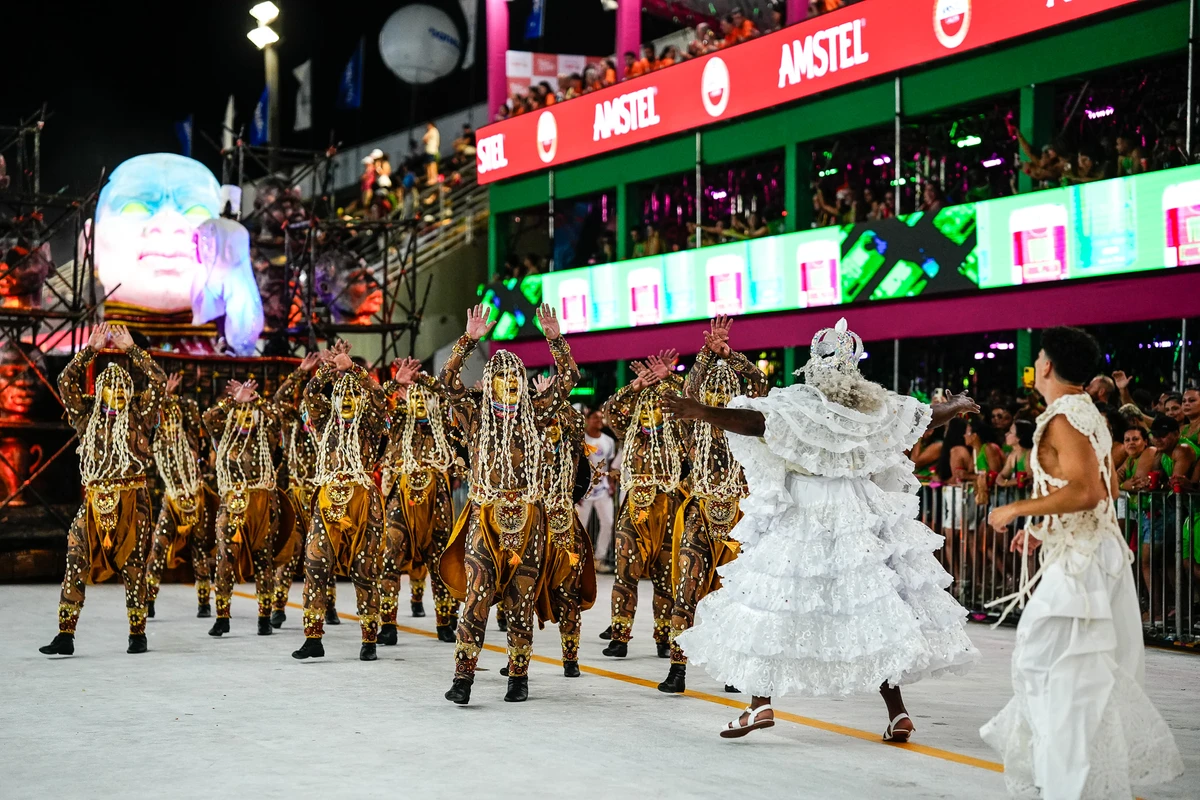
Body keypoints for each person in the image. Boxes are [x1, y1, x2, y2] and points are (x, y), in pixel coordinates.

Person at [668, 318, 979, 739]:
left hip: (805, 510)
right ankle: (898, 714)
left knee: (774, 602)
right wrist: (956, 405)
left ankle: (760, 705)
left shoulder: (801, 405)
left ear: (814, 368)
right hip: (856, 511)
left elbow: (756, 423)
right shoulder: (871, 408)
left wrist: (704, 412)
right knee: (869, 607)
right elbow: (922, 417)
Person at [982, 326, 1183, 799]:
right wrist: (1042, 528)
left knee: (1054, 670)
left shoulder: (1062, 418)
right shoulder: (1088, 412)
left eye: (1039, 357)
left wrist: (1017, 510)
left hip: (1084, 563)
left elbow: (1089, 491)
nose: (1036, 364)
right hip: (1096, 553)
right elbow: (1108, 487)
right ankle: (1069, 776)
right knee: (1069, 672)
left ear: (1047, 365)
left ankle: (1067, 781)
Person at [438, 303, 578, 705]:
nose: (510, 384)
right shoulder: (474, 413)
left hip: (528, 521)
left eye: (515, 378)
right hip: (485, 519)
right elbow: (446, 382)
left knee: (521, 600)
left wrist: (555, 339)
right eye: (502, 379)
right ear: (490, 383)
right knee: (477, 597)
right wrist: (468, 341)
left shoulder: (537, 412)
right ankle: (463, 678)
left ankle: (519, 677)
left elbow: (569, 379)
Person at [40, 323, 166, 656]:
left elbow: (158, 381)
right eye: (111, 387)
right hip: (95, 501)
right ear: (99, 391)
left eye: (123, 386)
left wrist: (132, 350)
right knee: (75, 555)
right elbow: (64, 382)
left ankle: (137, 634)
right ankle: (65, 635)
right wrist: (90, 352)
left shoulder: (139, 414)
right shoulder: (86, 415)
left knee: (134, 566)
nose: (119, 392)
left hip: (132, 501)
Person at [659, 316, 768, 695]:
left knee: (739, 598)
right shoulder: (694, 424)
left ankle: (734, 671)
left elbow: (760, 383)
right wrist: (706, 354)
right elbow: (689, 388)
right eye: (713, 392)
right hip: (700, 513)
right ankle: (677, 669)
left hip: (740, 518)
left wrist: (730, 355)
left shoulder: (749, 426)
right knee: (686, 590)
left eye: (727, 391)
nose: (719, 396)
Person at [291, 342, 390, 662]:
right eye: (341, 395)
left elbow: (379, 396)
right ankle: (313, 638)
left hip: (363, 500)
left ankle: (369, 639)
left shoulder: (371, 424)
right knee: (315, 564)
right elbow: (310, 394)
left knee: (365, 570)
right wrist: (328, 370)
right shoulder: (323, 422)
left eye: (353, 395)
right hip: (327, 498)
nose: (347, 399)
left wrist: (354, 370)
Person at [600, 349, 687, 659]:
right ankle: (619, 637)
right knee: (625, 572)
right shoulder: (631, 431)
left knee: (666, 575)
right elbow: (611, 412)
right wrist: (634, 387)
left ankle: (664, 638)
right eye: (644, 408)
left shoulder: (679, 431)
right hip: (635, 506)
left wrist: (670, 380)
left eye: (656, 408)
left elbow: (694, 406)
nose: (650, 413)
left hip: (670, 505)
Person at [378, 358, 461, 645]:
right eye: (415, 397)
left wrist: (423, 381)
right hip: (400, 499)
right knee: (390, 558)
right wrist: (395, 384)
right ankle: (388, 625)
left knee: (440, 561)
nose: (421, 402)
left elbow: (448, 392)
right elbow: (373, 405)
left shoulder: (443, 426)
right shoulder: (397, 422)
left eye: (426, 397)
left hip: (437, 501)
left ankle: (444, 623)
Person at [530, 375, 597, 678]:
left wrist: (556, 398)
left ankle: (571, 658)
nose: (553, 428)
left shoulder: (572, 438)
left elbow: (576, 424)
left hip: (562, 524)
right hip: (529, 523)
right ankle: (518, 661)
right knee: (520, 592)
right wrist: (542, 401)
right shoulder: (529, 436)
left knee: (568, 592)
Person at [204, 376, 281, 637]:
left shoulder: (265, 435)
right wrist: (233, 401)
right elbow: (208, 417)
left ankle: (264, 617)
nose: (246, 416)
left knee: (263, 559)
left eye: (251, 413)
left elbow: (277, 418)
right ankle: (222, 616)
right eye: (241, 412)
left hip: (262, 503)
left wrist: (257, 401)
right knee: (224, 557)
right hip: (231, 503)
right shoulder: (223, 434)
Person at [269, 353, 333, 629]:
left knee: (325, 552)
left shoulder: (328, 426)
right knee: (291, 551)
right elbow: (277, 400)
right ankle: (278, 606)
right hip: (297, 497)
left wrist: (333, 371)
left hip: (322, 496)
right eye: (306, 409)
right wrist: (300, 373)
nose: (310, 414)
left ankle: (329, 606)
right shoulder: (292, 424)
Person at [144, 372, 214, 619]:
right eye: (167, 421)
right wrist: (162, 396)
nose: (171, 425)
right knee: (158, 547)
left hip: (196, 498)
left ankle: (204, 603)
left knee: (199, 550)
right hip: (172, 500)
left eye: (175, 420)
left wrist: (172, 396)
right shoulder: (157, 444)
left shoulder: (190, 441)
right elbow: (147, 418)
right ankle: (149, 599)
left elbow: (192, 413)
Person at [578, 408, 617, 574]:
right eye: (595, 418)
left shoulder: (609, 441)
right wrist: (576, 490)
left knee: (608, 522)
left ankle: (598, 559)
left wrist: (611, 483)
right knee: (580, 527)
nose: (599, 421)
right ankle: (579, 561)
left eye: (601, 418)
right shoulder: (580, 439)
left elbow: (610, 464)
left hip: (602, 489)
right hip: (583, 491)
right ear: (587, 419)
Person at [996, 420, 1036, 489]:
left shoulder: (1029, 454)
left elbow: (1029, 479)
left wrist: (1005, 483)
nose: (1006, 434)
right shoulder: (1012, 455)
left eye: (1010, 432)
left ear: (1018, 438)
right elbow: (1001, 475)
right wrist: (1006, 482)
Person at [422, 121, 440, 186]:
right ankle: (431, 178)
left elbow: (424, 139)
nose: (427, 127)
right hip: (432, 150)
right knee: (430, 164)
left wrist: (425, 140)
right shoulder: (435, 131)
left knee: (431, 164)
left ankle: (433, 178)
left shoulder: (433, 130)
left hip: (431, 150)